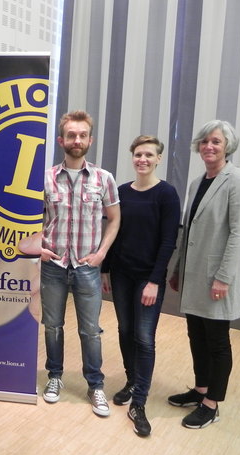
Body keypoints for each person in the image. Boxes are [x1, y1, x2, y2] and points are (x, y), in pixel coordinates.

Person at [168, 120, 240, 429]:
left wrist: (223, 277)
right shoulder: (197, 182)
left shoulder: (238, 181)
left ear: (227, 146)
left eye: (216, 141)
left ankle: (212, 403)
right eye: (204, 141)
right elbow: (188, 231)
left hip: (217, 277)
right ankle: (200, 389)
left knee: (217, 341)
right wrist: (178, 269)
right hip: (194, 274)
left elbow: (237, 234)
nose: (209, 146)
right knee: (196, 335)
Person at [40, 110, 121, 417]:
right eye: (71, 135)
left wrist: (101, 254)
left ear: (90, 139)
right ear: (61, 140)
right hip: (54, 266)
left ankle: (95, 385)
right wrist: (40, 246)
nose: (76, 140)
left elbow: (114, 219)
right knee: (53, 327)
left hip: (88, 266)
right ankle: (54, 377)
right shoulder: (45, 178)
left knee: (90, 330)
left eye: (82, 135)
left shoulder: (104, 179)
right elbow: (33, 218)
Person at [101, 135, 181, 436]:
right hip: (122, 275)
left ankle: (140, 402)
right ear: (132, 158)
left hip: (148, 279)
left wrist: (155, 281)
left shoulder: (167, 194)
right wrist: (106, 271)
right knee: (124, 330)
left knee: (144, 337)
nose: (142, 159)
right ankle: (131, 380)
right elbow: (114, 231)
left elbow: (168, 241)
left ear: (158, 158)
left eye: (148, 154)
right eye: (137, 154)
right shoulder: (121, 192)